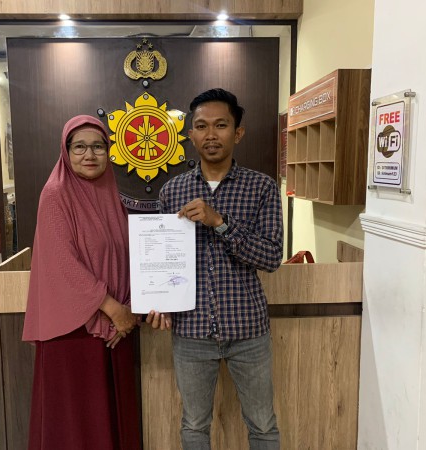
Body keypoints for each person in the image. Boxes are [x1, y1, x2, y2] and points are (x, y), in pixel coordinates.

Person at [149, 88, 283, 450]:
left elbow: (272, 257)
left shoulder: (262, 188)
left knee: (263, 424)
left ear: (237, 133)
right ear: (190, 135)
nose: (211, 134)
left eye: (221, 125)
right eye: (202, 126)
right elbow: (161, 258)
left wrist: (220, 222)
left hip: (248, 329)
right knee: (194, 424)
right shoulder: (172, 191)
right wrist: (160, 300)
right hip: (191, 329)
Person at [22, 115, 141, 450]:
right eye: (79, 147)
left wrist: (130, 310)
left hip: (116, 330)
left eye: (98, 146)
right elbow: (63, 264)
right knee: (78, 424)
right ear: (66, 151)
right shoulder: (55, 194)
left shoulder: (110, 194)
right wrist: (115, 310)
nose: (90, 154)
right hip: (74, 333)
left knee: (110, 418)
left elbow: (125, 256)